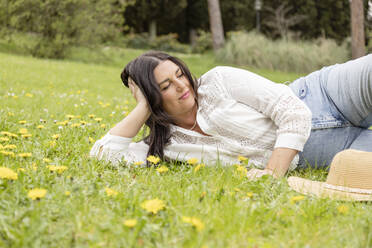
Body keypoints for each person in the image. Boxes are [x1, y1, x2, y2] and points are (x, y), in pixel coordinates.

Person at [90, 51, 372, 179]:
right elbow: (102, 156)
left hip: (326, 94)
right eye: (165, 86)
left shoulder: (218, 81)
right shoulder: (166, 147)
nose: (181, 85)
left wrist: (272, 173)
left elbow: (293, 112)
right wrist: (142, 107)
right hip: (332, 151)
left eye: (179, 74)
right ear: (153, 98)